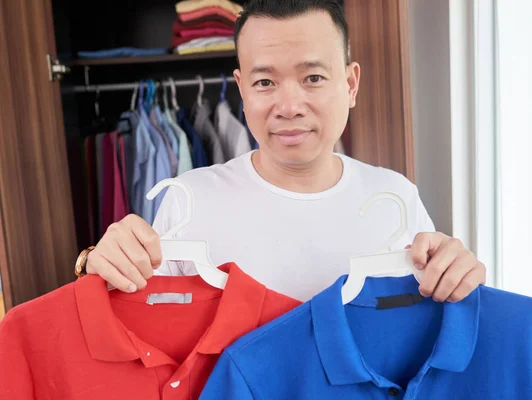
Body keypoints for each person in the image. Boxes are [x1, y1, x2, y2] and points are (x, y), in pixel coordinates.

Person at [80, 0, 486, 303]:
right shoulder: (191, 199)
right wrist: (98, 265)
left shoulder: (395, 197)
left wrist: (458, 276)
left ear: (350, 84)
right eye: (264, 83)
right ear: (241, 89)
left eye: (313, 77)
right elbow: (140, 324)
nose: (289, 106)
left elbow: (433, 315)